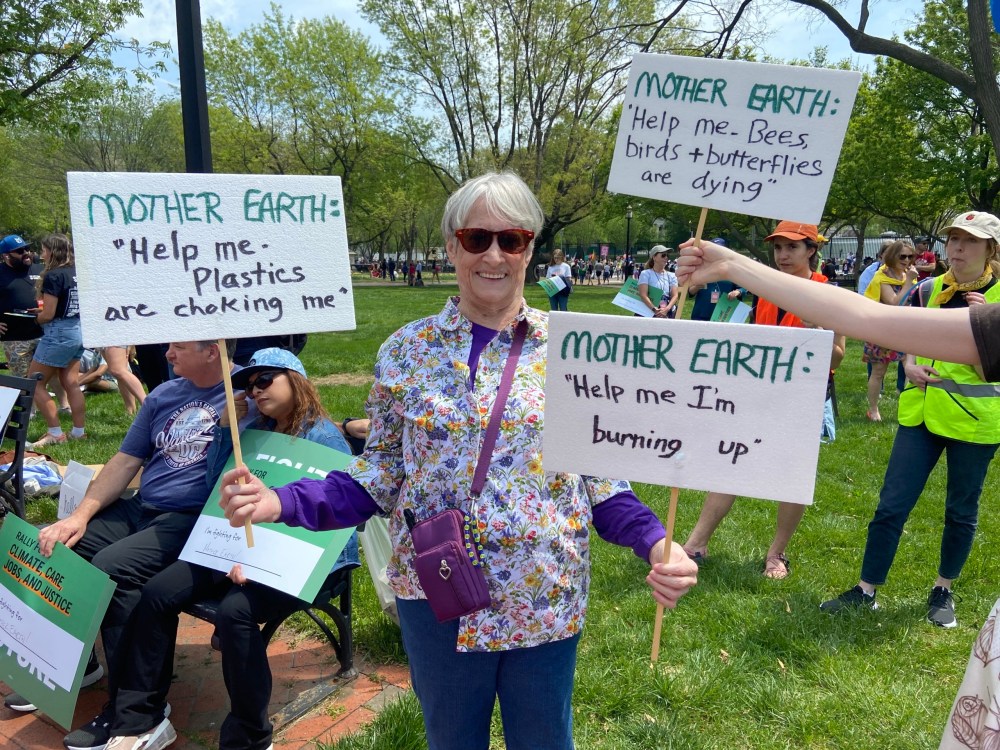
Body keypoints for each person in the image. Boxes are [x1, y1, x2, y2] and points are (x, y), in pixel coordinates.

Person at [216, 171, 698, 750]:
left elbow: (601, 481)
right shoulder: (405, 350)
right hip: (436, 591)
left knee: (545, 740)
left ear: (530, 250)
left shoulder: (573, 349)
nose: (493, 254)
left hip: (541, 590)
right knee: (451, 739)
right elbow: (381, 475)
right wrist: (281, 501)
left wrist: (657, 542)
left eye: (512, 239)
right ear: (451, 245)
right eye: (476, 239)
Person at [105, 348, 360, 750]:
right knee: (156, 593)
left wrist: (258, 560)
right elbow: (215, 487)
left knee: (234, 612)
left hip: (306, 558)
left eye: (265, 380)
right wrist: (226, 429)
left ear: (296, 380)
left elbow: (337, 520)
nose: (255, 391)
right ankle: (140, 717)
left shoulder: (324, 438)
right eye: (248, 384)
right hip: (235, 546)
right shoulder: (253, 430)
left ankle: (250, 735)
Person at [3, 340, 252, 750]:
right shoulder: (164, 394)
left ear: (213, 351)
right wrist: (78, 516)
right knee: (61, 547)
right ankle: (72, 667)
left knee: (115, 566)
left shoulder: (246, 392)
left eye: (178, 347)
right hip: (143, 505)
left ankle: (138, 710)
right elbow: (125, 460)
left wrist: (232, 426)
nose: (167, 355)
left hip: (194, 519)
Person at [818, 211, 1000, 628]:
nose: (957, 248)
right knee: (891, 505)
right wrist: (911, 361)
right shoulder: (928, 288)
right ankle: (866, 590)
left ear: (991, 248)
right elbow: (899, 333)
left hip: (977, 422)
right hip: (920, 415)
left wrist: (990, 321)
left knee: (961, 510)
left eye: (970, 241)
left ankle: (942, 590)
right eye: (953, 238)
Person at [681, 221, 846, 579]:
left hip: (803, 397)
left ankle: (777, 554)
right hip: (760, 393)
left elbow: (836, 359)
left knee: (792, 476)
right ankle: (695, 544)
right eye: (778, 248)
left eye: (793, 248)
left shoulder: (826, 292)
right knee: (731, 460)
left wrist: (814, 330)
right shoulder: (766, 290)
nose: (784, 255)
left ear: (811, 251)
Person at [26, 234, 87, 448]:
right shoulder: (77, 272)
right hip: (78, 330)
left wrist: (36, 317)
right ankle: (79, 432)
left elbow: (48, 314)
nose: (41, 255)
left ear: (52, 251)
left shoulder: (54, 275)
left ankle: (55, 433)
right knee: (71, 383)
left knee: (34, 382)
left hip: (59, 332)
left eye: (43, 250)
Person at [862, 239, 918, 421]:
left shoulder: (907, 275)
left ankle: (907, 407)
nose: (907, 260)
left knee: (910, 368)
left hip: (905, 329)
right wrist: (909, 282)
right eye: (903, 256)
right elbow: (895, 302)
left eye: (910, 256)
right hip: (882, 330)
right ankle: (873, 410)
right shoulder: (882, 276)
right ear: (893, 256)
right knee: (879, 371)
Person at [0, 234, 44, 377]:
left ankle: (63, 400)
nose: (26, 253)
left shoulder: (40, 269)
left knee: (54, 376)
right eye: (19, 251)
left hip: (44, 333)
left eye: (27, 248)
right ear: (6, 256)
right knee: (24, 380)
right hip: (15, 338)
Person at [688, 238, 743, 322]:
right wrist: (697, 286)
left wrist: (738, 292)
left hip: (723, 315)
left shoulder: (732, 270)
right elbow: (690, 292)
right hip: (701, 316)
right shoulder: (700, 268)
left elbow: (743, 288)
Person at [637, 245, 677, 318]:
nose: (666, 257)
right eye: (663, 255)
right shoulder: (645, 274)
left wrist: (666, 309)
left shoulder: (672, 276)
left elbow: (675, 295)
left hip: (666, 311)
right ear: (654, 257)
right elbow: (643, 295)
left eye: (667, 255)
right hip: (648, 311)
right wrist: (654, 309)